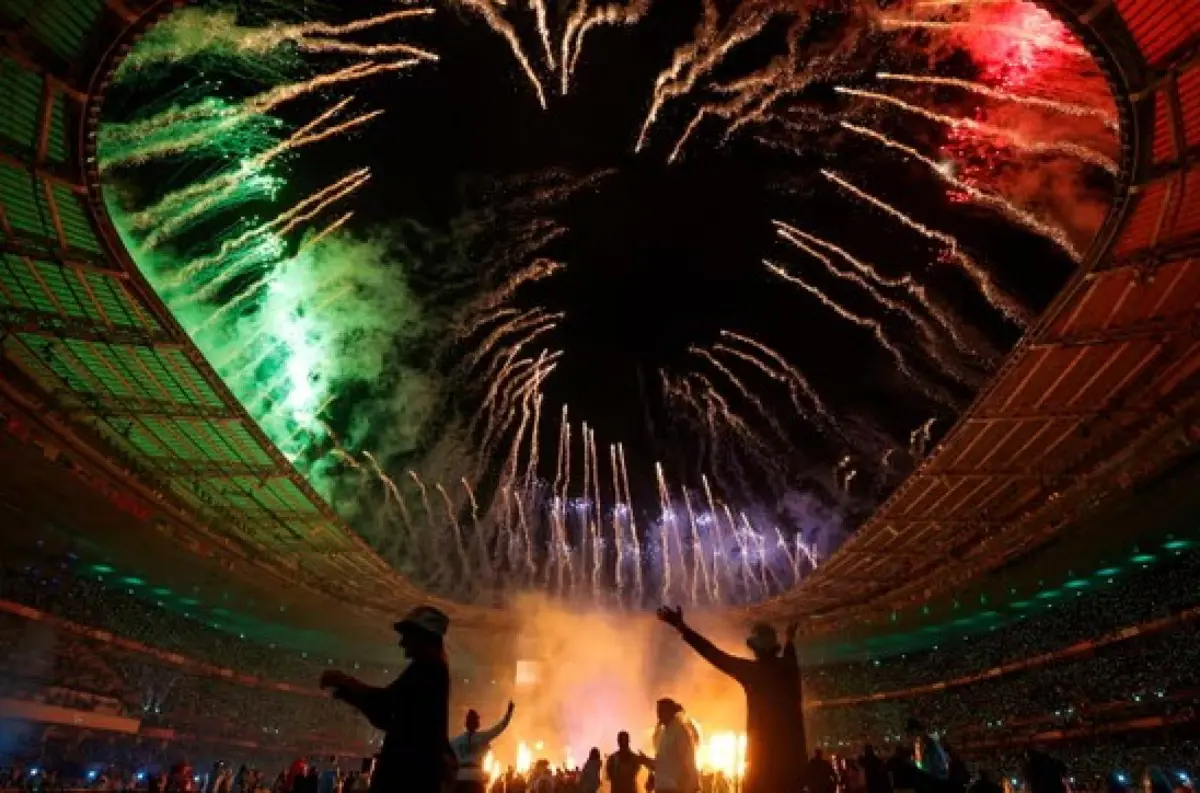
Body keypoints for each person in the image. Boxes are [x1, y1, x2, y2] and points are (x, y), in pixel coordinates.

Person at [656, 607, 804, 793]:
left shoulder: (754, 673)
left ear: (756, 649)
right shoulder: (789, 669)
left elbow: (715, 655)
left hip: (763, 767)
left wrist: (682, 628)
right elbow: (790, 655)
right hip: (793, 767)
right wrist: (790, 640)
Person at [321, 605, 452, 793]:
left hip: (408, 777)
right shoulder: (432, 670)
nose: (402, 642)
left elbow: (385, 706)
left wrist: (347, 683)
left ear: (424, 636)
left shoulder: (427, 670)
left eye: (408, 634)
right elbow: (388, 713)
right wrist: (350, 693)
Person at [451, 702, 516, 793]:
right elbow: (499, 728)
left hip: (461, 776)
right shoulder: (482, 737)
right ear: (477, 723)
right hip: (476, 777)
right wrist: (509, 713)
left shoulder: (456, 741)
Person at [641, 699, 700, 793]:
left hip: (676, 787)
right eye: (658, 711)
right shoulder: (663, 734)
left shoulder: (680, 732)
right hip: (663, 786)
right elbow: (662, 763)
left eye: (661, 711)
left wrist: (691, 785)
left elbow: (688, 760)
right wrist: (646, 762)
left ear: (670, 712)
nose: (658, 715)